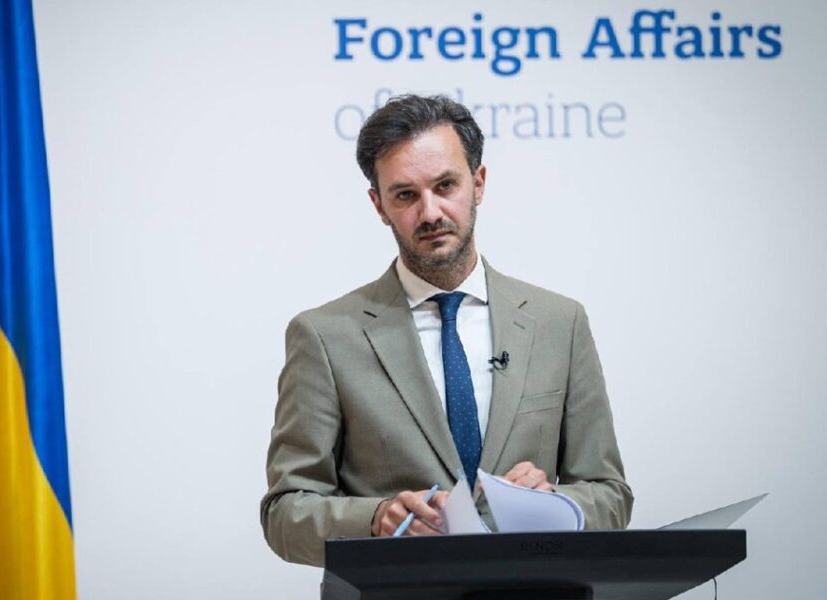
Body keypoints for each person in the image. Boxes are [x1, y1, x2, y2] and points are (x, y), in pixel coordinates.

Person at [260, 94, 632, 567]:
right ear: (378, 205)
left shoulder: (561, 322)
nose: (430, 212)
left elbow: (610, 495)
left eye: (445, 185)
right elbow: (285, 513)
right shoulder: (324, 336)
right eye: (405, 195)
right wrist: (375, 518)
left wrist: (555, 504)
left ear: (478, 183)